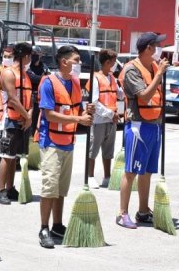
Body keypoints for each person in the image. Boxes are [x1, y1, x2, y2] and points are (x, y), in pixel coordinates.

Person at [36, 46, 94, 248]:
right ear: (64, 62)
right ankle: (44, 228)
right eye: (76, 60)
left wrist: (87, 111)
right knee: (49, 186)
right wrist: (78, 118)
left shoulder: (76, 83)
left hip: (68, 141)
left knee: (61, 189)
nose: (79, 64)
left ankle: (57, 225)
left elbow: (76, 107)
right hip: (51, 141)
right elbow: (49, 114)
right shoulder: (48, 83)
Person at [117, 32, 168, 228]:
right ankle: (122, 213)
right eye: (157, 45)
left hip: (154, 125)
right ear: (148, 48)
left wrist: (158, 73)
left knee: (147, 171)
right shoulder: (132, 69)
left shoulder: (154, 67)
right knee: (131, 171)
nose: (159, 49)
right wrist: (159, 74)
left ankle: (143, 211)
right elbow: (144, 97)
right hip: (138, 126)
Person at [0, 42, 34, 205]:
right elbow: (12, 98)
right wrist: (28, 117)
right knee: (6, 156)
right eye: (30, 56)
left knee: (13, 157)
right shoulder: (9, 73)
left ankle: (10, 188)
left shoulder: (26, 75)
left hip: (22, 120)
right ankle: (1, 190)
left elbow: (30, 98)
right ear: (25, 56)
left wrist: (28, 115)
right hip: (10, 119)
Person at [86, 49, 123, 189]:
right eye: (114, 62)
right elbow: (94, 102)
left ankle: (107, 177)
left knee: (108, 150)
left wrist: (123, 86)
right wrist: (110, 114)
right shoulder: (96, 78)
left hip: (111, 120)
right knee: (93, 150)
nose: (115, 65)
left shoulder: (113, 77)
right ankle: (89, 177)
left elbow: (119, 95)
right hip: (99, 120)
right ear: (107, 62)